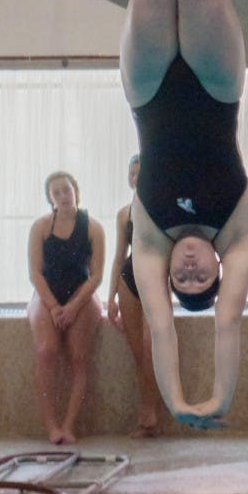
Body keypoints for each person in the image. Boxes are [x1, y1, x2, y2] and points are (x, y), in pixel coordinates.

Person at [120, 0, 248, 431]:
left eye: (188, 281)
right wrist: (217, 398)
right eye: (207, 277)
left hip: (147, 92)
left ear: (174, 275)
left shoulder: (146, 242)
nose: (197, 269)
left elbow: (158, 324)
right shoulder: (238, 229)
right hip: (216, 86)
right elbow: (228, 319)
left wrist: (175, 396)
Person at [27, 171, 105, 444]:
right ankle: (52, 426)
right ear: (50, 198)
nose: (62, 196)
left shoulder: (93, 228)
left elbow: (96, 276)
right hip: (47, 294)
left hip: (82, 295)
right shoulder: (40, 227)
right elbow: (35, 273)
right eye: (56, 192)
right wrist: (53, 306)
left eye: (66, 190)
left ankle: (69, 425)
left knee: (78, 357)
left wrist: (72, 307)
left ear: (76, 191)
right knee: (46, 351)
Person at [107, 154, 162, 437]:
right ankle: (147, 414)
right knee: (138, 353)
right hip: (129, 281)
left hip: (155, 281)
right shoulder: (123, 214)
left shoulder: (165, 209)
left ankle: (152, 412)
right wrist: (110, 297)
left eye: (142, 172)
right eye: (133, 173)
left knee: (150, 347)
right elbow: (119, 257)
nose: (136, 178)